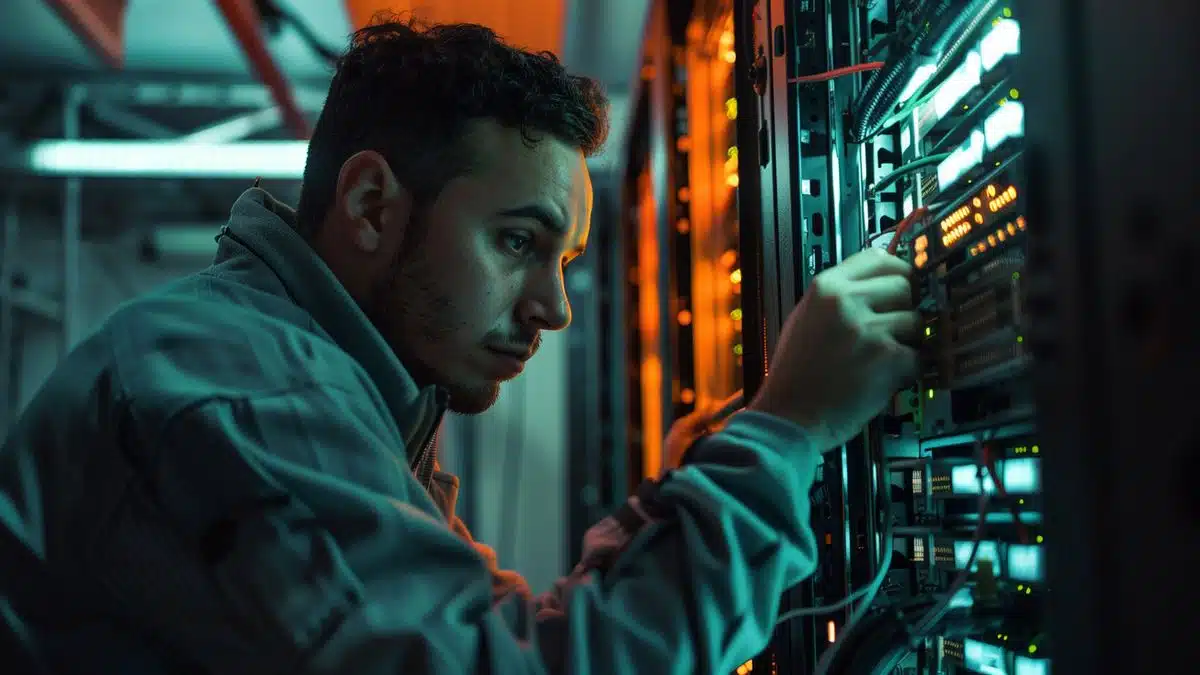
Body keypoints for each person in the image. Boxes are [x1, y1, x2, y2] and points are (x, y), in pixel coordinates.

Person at [0, 17, 919, 674]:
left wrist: (698, 487)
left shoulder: (310, 372)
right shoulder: (253, 397)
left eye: (562, 259)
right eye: (518, 242)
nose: (553, 308)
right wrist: (785, 435)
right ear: (371, 207)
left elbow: (499, 631)